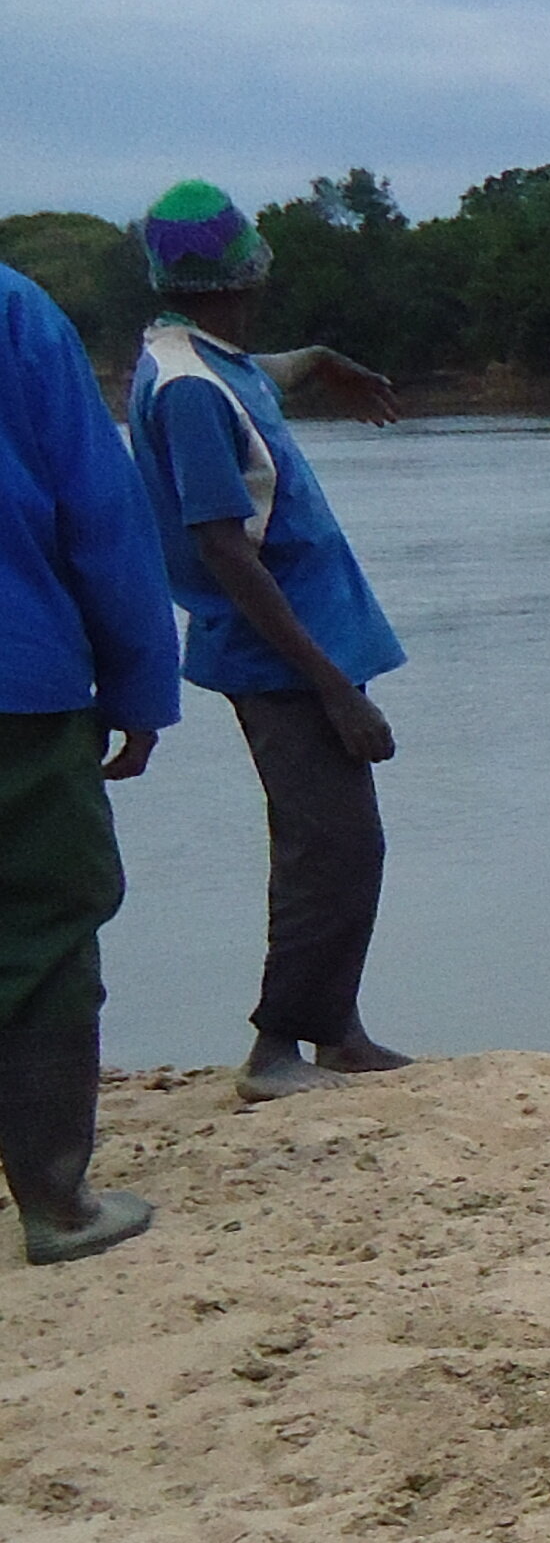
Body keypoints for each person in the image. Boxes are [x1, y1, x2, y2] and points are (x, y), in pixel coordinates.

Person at [122, 180, 414, 1103]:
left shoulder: (196, 359)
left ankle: (337, 1032)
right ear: (246, 270)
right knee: (329, 845)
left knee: (338, 840)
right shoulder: (193, 393)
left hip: (300, 645)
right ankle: (277, 1049)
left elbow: (259, 375)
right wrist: (333, 686)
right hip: (281, 657)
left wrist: (318, 359)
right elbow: (224, 549)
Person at [0, 259, 183, 1263]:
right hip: (17, 687)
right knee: (42, 925)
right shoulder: (14, 313)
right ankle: (54, 1201)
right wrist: (139, 690)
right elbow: (100, 516)